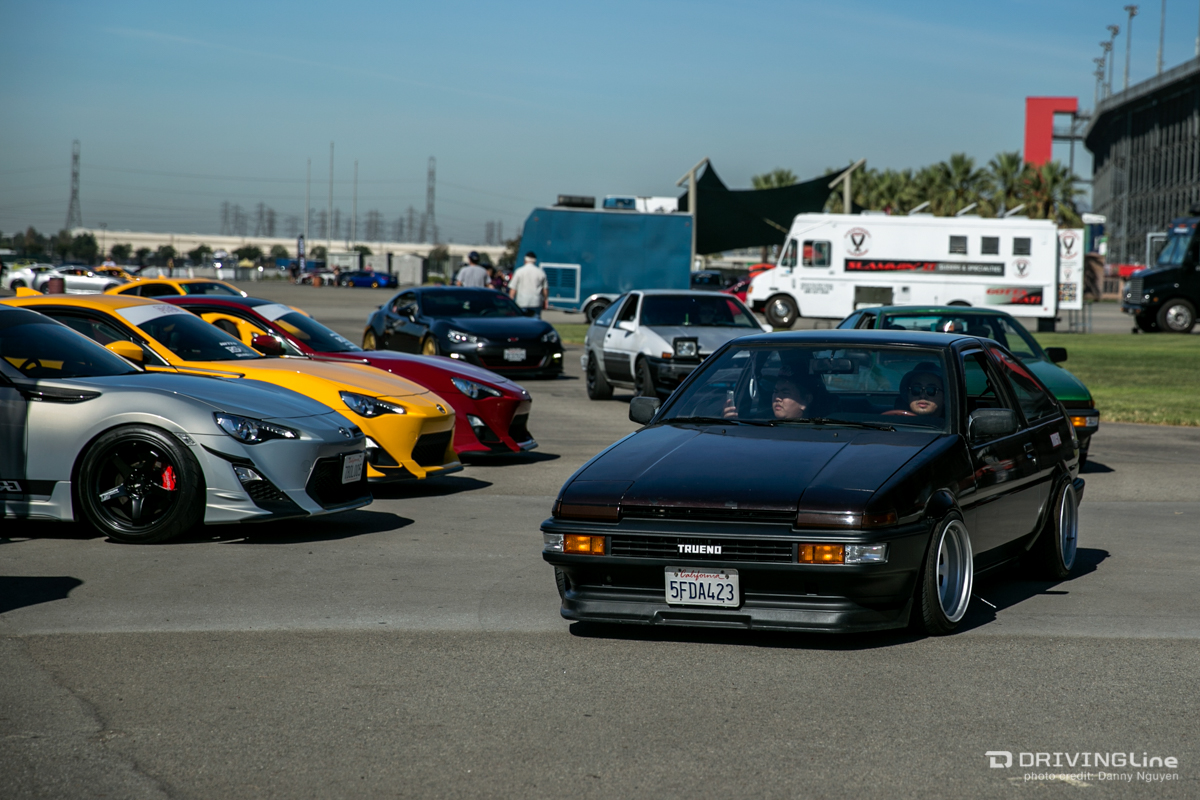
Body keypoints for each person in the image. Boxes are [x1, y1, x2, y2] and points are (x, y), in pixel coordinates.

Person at [724, 375, 813, 420]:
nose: (777, 398)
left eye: (785, 393)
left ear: (806, 399)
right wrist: (728, 423)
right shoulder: (759, 426)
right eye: (775, 391)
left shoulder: (813, 436)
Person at [508, 251, 548, 318]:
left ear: (525, 260)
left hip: (522, 301)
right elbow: (545, 289)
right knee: (535, 323)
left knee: (522, 323)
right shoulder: (540, 272)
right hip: (536, 302)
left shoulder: (519, 271)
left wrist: (510, 302)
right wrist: (545, 300)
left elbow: (513, 288)